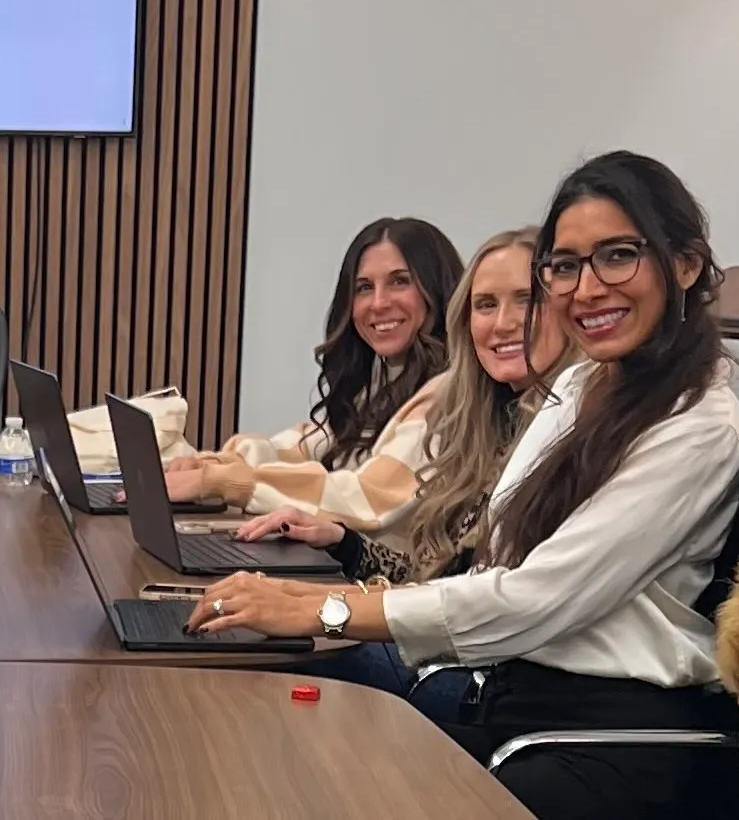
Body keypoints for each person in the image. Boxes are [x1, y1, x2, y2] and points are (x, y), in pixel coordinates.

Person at [188, 151, 739, 820]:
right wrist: (330, 575)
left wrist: (325, 609)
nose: (586, 288)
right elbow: (494, 559)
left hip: (602, 740)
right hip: (515, 705)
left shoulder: (700, 426)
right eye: (565, 265)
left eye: (618, 255)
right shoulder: (579, 385)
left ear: (685, 264)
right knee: (267, 749)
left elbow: (535, 598)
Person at [229, 227, 578, 712]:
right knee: (253, 628)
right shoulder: (489, 414)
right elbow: (438, 575)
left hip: (490, 678)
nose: (503, 323)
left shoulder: (571, 430)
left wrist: (324, 610)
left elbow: (491, 602)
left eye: (525, 301)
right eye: (485, 305)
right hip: (452, 652)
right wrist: (343, 543)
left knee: (260, 648)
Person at [154, 217, 463, 533]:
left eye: (399, 281)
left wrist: (226, 482)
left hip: (389, 582)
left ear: (437, 291)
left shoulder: (449, 394)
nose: (379, 302)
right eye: (364, 287)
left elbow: (367, 499)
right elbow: (300, 449)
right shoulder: (383, 385)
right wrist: (211, 466)